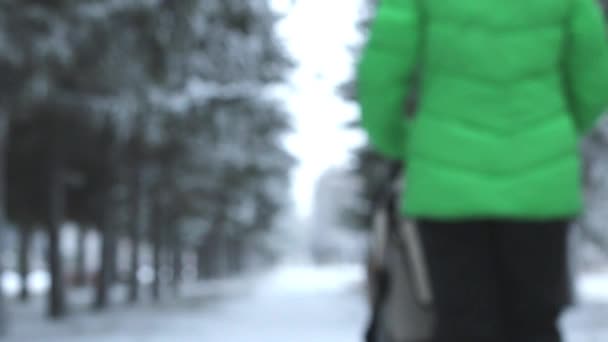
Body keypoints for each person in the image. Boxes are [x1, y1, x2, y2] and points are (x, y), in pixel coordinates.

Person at [357, 0, 608, 341]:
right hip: (538, 185)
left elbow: (381, 77)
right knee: (535, 322)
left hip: (447, 183)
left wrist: (401, 143)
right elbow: (594, 74)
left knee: (462, 322)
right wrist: (554, 132)